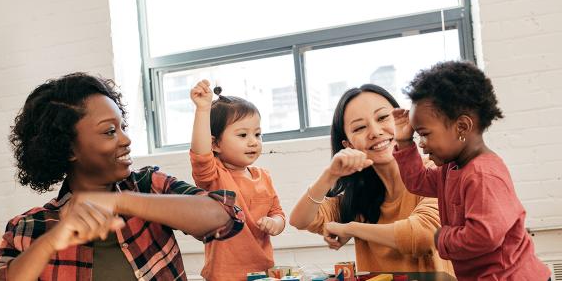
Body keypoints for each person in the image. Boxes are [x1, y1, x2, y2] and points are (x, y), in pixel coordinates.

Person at [0, 73, 244, 281]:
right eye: (109, 132)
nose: (126, 139)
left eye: (122, 127)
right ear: (67, 147)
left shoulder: (149, 186)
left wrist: (121, 202)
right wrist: (49, 243)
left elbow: (224, 216)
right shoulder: (29, 227)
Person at [392, 61, 550, 280]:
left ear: (462, 127)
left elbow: (483, 236)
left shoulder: (483, 175)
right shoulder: (452, 168)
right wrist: (404, 141)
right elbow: (418, 181)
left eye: (425, 134)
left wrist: (442, 237)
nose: (421, 143)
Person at [289, 84, 453, 274]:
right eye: (359, 127)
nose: (375, 132)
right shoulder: (358, 196)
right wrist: (330, 175)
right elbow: (300, 220)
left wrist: (351, 229)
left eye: (383, 117)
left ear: (403, 118)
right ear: (348, 144)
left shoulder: (435, 173)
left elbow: (424, 235)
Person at [189, 80, 285, 280]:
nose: (253, 141)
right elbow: (200, 154)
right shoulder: (214, 176)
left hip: (263, 271)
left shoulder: (264, 176)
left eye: (257, 134)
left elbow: (278, 213)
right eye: (242, 135)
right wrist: (202, 110)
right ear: (215, 144)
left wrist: (275, 223)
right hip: (224, 275)